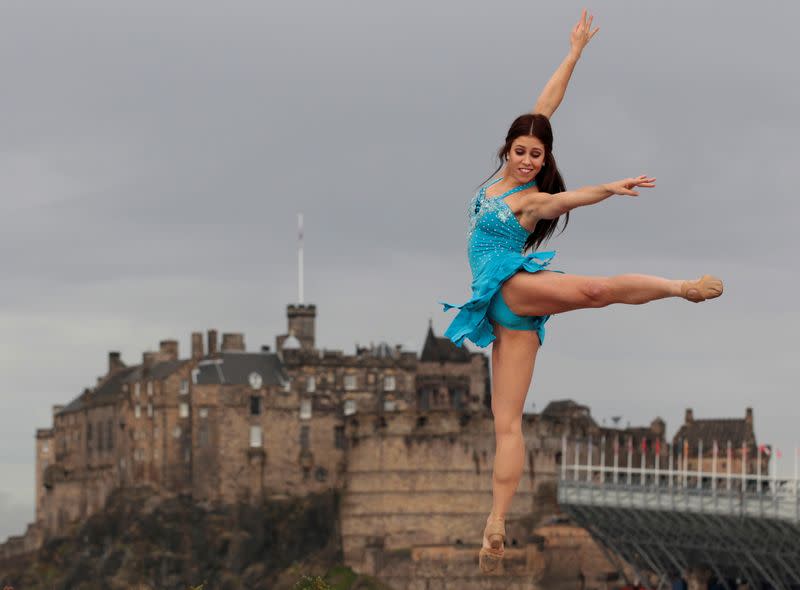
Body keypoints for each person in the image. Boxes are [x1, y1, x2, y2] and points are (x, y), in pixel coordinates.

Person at [438, 10, 723, 573]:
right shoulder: (506, 173)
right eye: (520, 151)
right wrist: (574, 53)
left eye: (536, 156)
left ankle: (679, 287)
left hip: (514, 292)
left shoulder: (530, 199)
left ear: (544, 163)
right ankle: (495, 523)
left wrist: (610, 189)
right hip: (496, 304)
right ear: (508, 149)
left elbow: (567, 202)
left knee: (595, 290)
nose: (527, 159)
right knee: (507, 424)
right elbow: (548, 102)